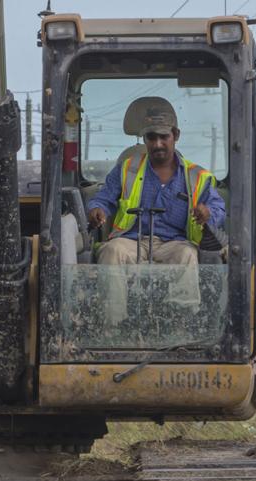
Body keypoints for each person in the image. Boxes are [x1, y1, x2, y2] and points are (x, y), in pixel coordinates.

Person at [86, 106, 226, 322]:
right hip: (132, 241)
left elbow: (218, 209)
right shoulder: (127, 169)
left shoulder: (196, 176)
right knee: (112, 251)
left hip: (174, 243)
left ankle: (182, 324)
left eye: (164, 137)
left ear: (175, 136)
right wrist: (97, 210)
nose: (158, 144)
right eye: (151, 137)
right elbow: (103, 198)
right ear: (144, 139)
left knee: (187, 255)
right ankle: (113, 326)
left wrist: (207, 213)